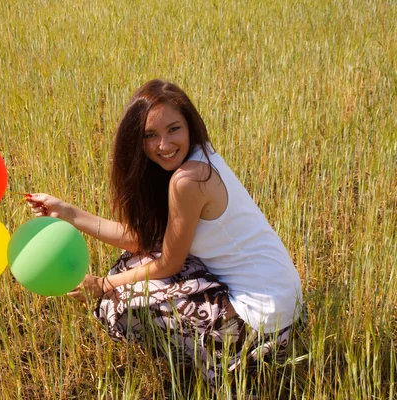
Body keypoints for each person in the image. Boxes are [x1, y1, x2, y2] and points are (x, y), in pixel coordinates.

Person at [25, 79, 304, 388]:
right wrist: (67, 212)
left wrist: (102, 285)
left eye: (173, 129)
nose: (164, 145)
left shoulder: (188, 179)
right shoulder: (200, 156)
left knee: (118, 301)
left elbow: (168, 264)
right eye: (150, 136)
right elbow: (143, 240)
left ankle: (225, 367)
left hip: (261, 325)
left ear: (190, 124)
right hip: (283, 307)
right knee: (132, 264)